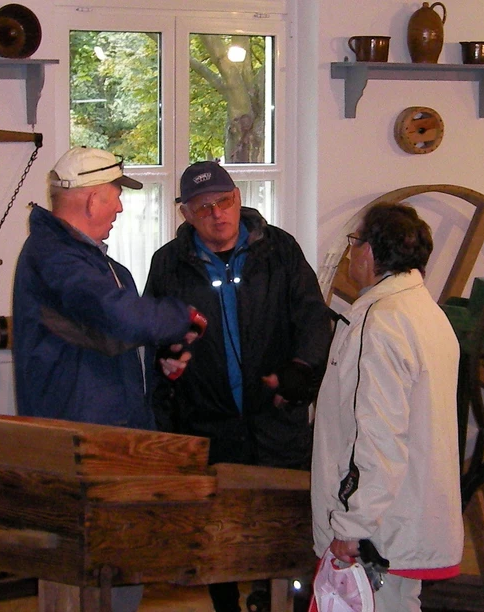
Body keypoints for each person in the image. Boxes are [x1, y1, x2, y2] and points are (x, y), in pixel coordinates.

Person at [145, 160, 333, 612]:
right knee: (218, 538)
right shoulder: (168, 264)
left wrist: (302, 369)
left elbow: (313, 317)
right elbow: (154, 339)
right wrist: (169, 367)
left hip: (276, 422)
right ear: (186, 214)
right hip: (208, 427)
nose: (217, 214)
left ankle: (276, 602)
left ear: (239, 197)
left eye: (224, 201)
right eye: (203, 207)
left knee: (286, 534)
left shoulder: (280, 250)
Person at [310, 202, 463, 612]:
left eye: (354, 242)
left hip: (379, 530)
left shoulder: (380, 323)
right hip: (408, 516)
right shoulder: (426, 313)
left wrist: (352, 525)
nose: (350, 253)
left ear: (370, 252)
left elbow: (377, 435)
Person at [12, 145, 201, 426]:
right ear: (92, 201)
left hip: (108, 431)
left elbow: (104, 336)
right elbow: (116, 313)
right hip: (76, 437)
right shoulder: (53, 257)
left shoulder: (104, 268)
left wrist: (158, 358)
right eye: (117, 196)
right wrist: (181, 317)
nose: (120, 208)